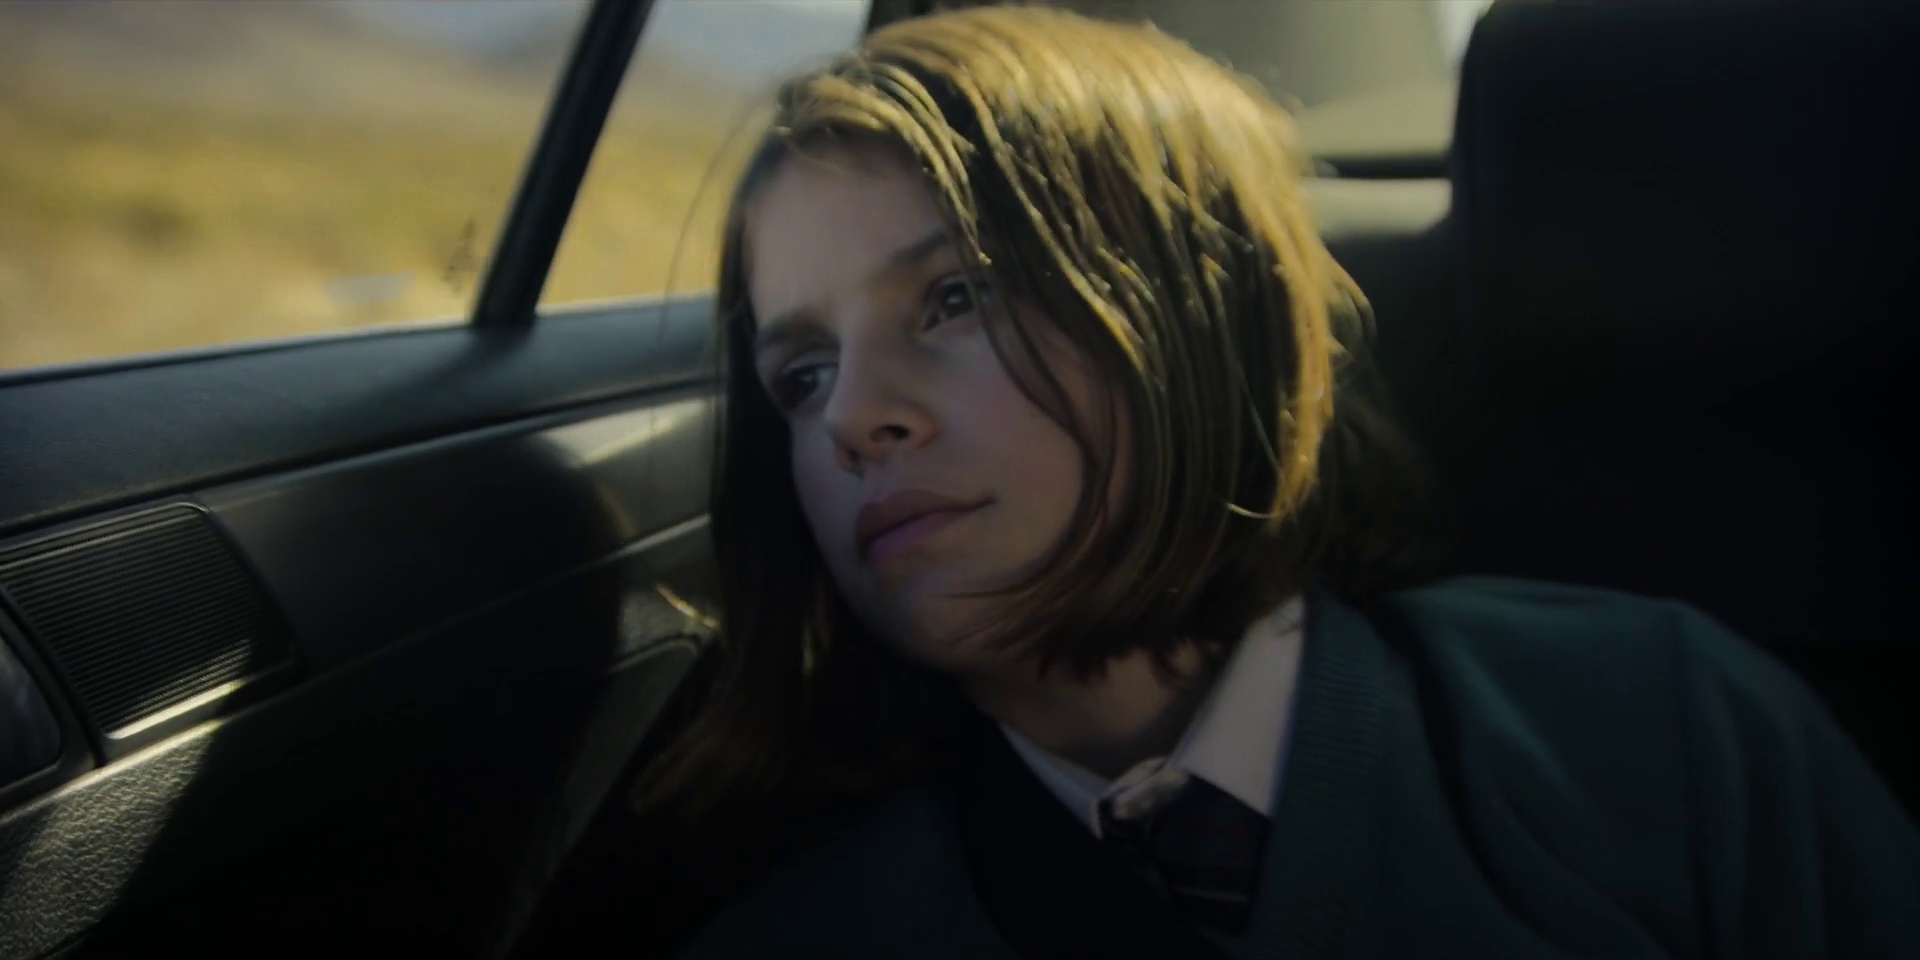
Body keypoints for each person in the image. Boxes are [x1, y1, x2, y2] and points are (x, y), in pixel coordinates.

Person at [626, 6, 1920, 958]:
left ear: (1195, 311)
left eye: (955, 297)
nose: (853, 419)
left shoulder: (1662, 739)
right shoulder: (804, 937)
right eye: (801, 375)